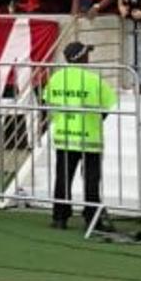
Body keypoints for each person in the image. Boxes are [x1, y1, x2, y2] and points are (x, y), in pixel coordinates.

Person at [42, 42, 116, 232]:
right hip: (90, 138)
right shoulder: (94, 80)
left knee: (62, 178)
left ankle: (60, 218)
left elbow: (46, 102)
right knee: (91, 180)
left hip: (64, 136)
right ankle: (93, 219)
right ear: (84, 57)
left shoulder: (57, 78)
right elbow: (106, 109)